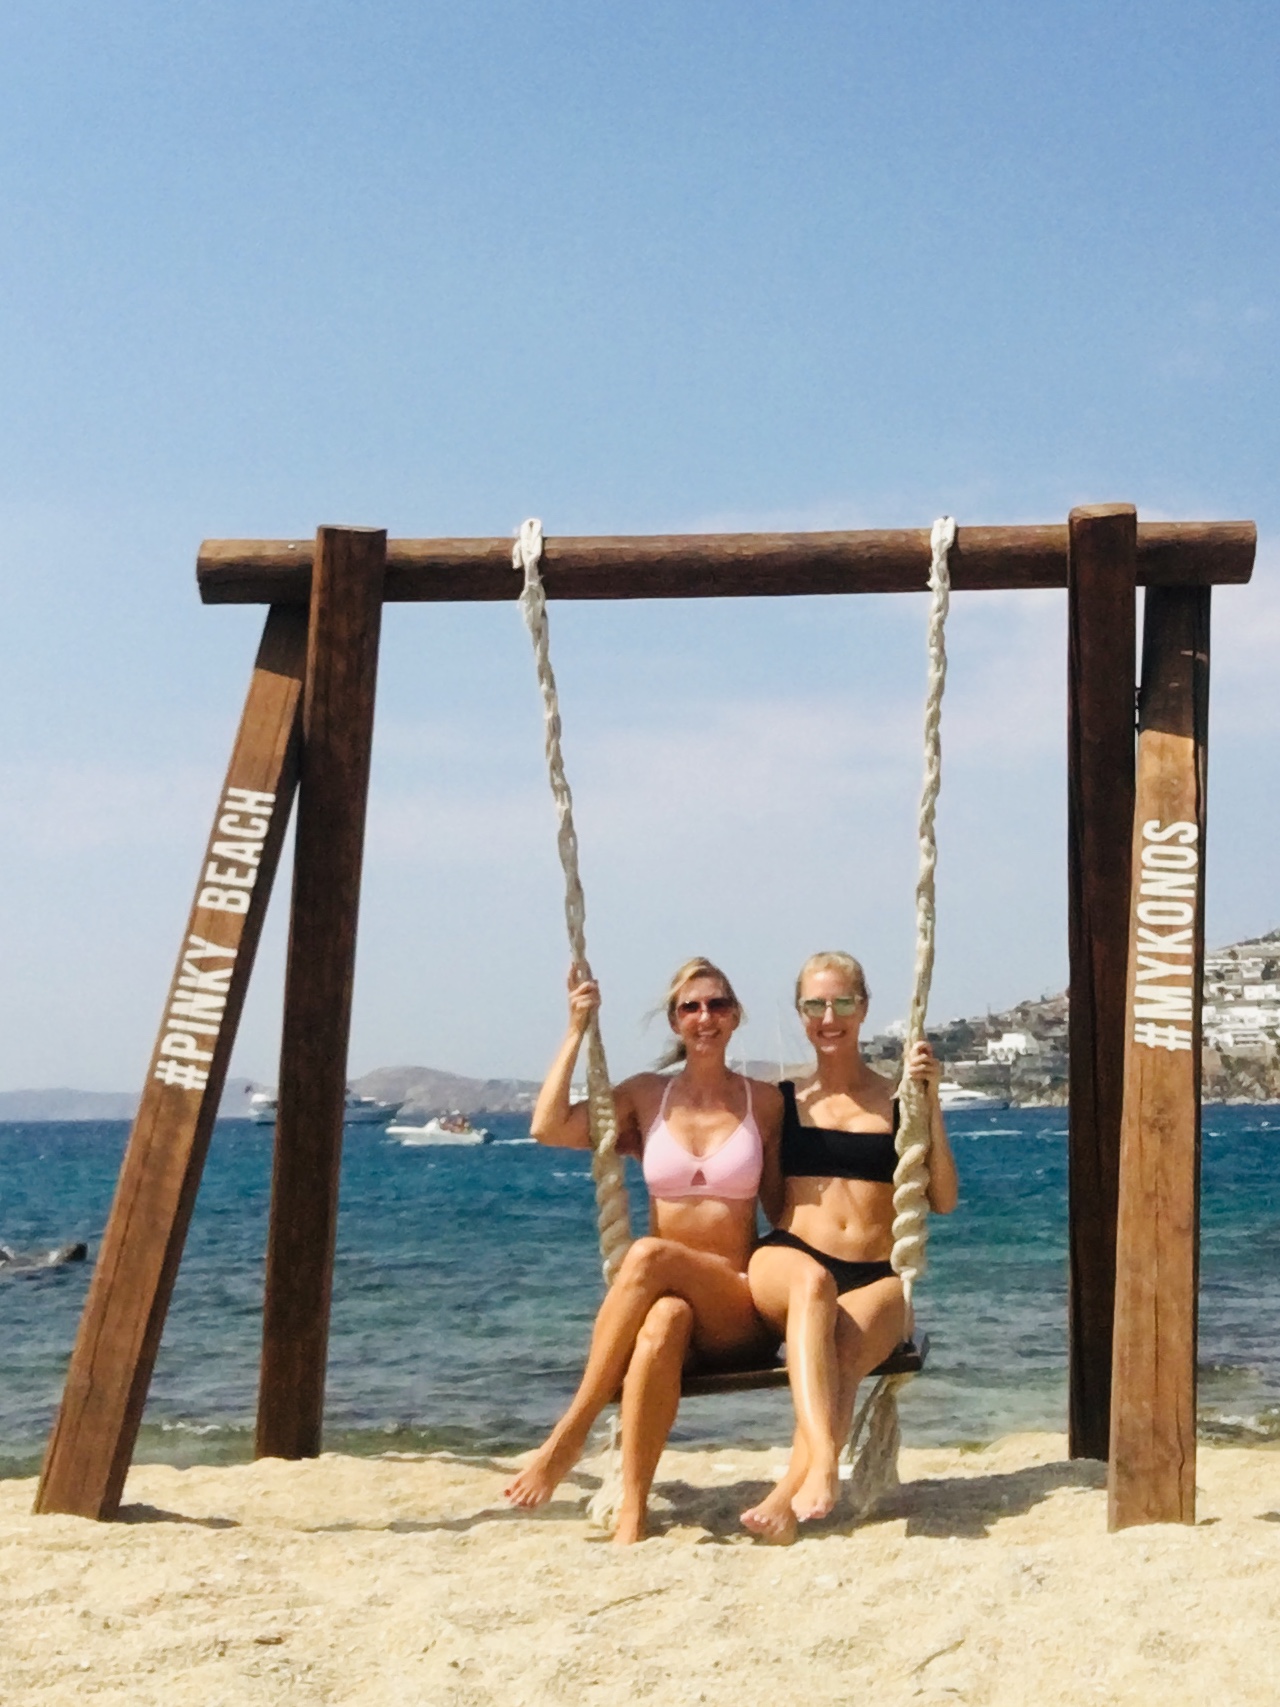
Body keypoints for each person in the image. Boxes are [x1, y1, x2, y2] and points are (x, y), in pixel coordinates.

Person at [504, 957, 783, 1543]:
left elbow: (787, 1210)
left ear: (735, 1016)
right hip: (675, 1308)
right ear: (675, 1021)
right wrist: (576, 1028)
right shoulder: (646, 1096)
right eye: (690, 1007)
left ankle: (569, 1435)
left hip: (736, 1310)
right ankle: (633, 1511)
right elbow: (548, 1127)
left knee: (649, 1254)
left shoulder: (764, 1101)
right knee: (661, 1324)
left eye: (717, 1004)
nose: (704, 1017)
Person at [741, 950, 958, 1543]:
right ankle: (811, 1475)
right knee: (812, 1289)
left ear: (863, 1009)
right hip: (794, 1257)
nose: (828, 1017)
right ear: (800, 1013)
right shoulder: (782, 1100)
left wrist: (930, 1099)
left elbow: (942, 1198)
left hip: (873, 1274)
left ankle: (789, 1493)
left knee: (841, 1355)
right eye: (815, 1004)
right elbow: (769, 1201)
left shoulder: (899, 1099)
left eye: (842, 1002)